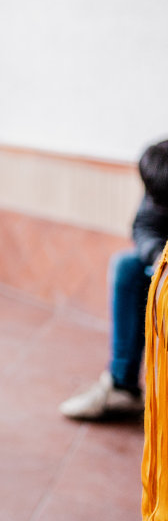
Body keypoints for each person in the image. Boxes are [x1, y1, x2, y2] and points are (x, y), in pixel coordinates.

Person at [60, 139, 168, 420]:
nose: (155, 205)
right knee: (128, 267)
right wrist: (159, 258)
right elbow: (145, 225)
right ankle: (123, 386)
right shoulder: (162, 172)